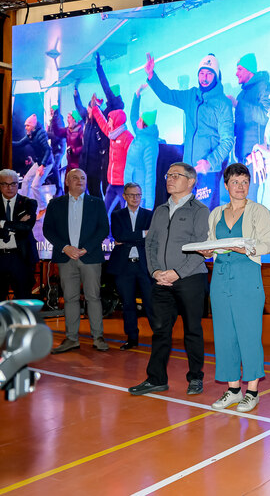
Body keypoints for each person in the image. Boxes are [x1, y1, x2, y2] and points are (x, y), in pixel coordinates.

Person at [197, 163, 270, 412]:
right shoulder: (216, 213)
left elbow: (268, 245)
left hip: (247, 276)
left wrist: (245, 248)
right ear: (226, 185)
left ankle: (252, 392)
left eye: (245, 182)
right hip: (220, 278)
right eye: (235, 182)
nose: (240, 187)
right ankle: (233, 390)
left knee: (249, 335)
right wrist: (207, 251)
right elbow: (212, 243)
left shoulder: (259, 211)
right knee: (224, 335)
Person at [129, 162, 210, 396]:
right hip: (161, 280)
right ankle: (156, 379)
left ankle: (195, 378)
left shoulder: (200, 210)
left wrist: (177, 273)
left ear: (191, 181)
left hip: (190, 279)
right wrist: (155, 272)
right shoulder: (161, 210)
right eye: (169, 175)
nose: (170, 179)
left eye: (176, 175)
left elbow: (202, 248)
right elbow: (151, 244)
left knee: (192, 330)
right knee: (160, 331)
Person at [145, 52, 234, 210]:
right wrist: (152, 75)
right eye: (201, 73)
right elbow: (167, 95)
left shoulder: (223, 103)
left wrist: (210, 162)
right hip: (188, 170)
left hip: (207, 171)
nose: (204, 78)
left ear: (216, 76)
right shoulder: (191, 96)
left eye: (209, 74)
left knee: (205, 215)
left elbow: (227, 141)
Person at [43, 168, 111, 353]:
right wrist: (66, 247)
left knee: (93, 297)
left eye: (83, 178)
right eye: (75, 177)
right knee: (70, 298)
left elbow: (103, 229)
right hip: (65, 257)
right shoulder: (55, 204)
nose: (80, 180)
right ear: (67, 182)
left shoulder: (96, 203)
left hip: (90, 257)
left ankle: (98, 337)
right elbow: (47, 230)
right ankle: (71, 339)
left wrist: (85, 249)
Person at [0, 169, 39, 304]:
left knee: (23, 301)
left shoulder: (29, 203)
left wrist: (0, 224)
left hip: (20, 258)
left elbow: (26, 227)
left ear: (18, 184)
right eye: (5, 184)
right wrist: (14, 226)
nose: (10, 188)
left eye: (13, 184)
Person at [106, 183, 155, 350]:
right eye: (131, 195)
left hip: (144, 265)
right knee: (128, 304)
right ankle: (132, 338)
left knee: (150, 303)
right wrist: (142, 234)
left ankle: (159, 337)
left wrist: (128, 238)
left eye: (138, 195)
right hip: (123, 266)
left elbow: (152, 237)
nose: (135, 198)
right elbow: (119, 235)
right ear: (124, 196)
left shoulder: (149, 215)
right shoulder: (117, 215)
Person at [74, 52, 124, 198]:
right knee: (96, 190)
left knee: (104, 190)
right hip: (92, 161)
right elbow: (81, 109)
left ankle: (104, 210)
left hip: (102, 161)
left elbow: (106, 89)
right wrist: (76, 96)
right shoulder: (93, 119)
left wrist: (99, 68)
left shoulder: (109, 112)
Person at [230, 54, 270, 203]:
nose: (236, 73)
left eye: (240, 69)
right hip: (243, 159)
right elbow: (240, 126)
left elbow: (266, 117)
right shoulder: (241, 94)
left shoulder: (264, 87)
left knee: (255, 202)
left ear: (249, 70)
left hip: (257, 159)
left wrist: (238, 105)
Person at [90, 101, 133, 214]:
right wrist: (95, 108)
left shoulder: (127, 137)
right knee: (105, 210)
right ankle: (105, 226)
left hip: (123, 184)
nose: (108, 122)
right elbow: (102, 122)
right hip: (112, 182)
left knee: (127, 213)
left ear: (116, 121)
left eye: (110, 120)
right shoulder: (112, 134)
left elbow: (133, 160)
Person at [126, 84, 160, 210]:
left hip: (140, 198)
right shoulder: (140, 134)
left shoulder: (150, 144)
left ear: (144, 125)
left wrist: (149, 207)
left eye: (140, 120)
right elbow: (133, 117)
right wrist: (137, 95)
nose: (137, 122)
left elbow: (150, 176)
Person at [14, 114, 53, 214]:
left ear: (33, 126)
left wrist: (42, 166)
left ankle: (43, 207)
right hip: (39, 162)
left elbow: (48, 150)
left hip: (46, 163)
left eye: (27, 125)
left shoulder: (41, 134)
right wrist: (7, 141)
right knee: (26, 180)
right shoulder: (30, 135)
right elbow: (19, 143)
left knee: (35, 186)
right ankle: (24, 205)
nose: (25, 127)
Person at [52, 110, 84, 175]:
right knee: (67, 181)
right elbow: (58, 133)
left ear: (74, 119)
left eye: (69, 117)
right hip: (69, 164)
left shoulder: (81, 131)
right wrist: (54, 120)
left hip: (78, 166)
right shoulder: (68, 130)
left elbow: (85, 146)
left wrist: (74, 151)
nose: (67, 120)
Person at [46, 106, 66, 196]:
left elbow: (57, 135)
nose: (50, 112)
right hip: (54, 147)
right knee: (54, 167)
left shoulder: (59, 119)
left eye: (52, 110)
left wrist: (46, 133)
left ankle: (59, 189)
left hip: (59, 147)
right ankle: (59, 188)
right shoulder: (52, 120)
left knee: (55, 167)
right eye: (50, 110)